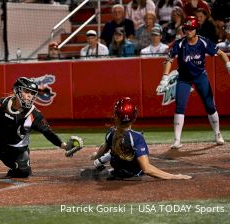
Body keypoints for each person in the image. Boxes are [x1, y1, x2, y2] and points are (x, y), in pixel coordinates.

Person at [160, 16, 230, 149]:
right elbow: (169, 59)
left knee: (210, 105)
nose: (188, 31)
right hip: (184, 78)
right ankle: (177, 139)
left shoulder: (203, 42)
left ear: (196, 29)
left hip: (200, 76)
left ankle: (217, 133)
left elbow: (221, 53)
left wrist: (228, 65)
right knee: (180, 106)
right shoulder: (180, 44)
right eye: (186, 29)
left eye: (191, 29)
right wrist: (164, 77)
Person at [84, 97, 192, 180]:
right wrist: (173, 176)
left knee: (113, 154)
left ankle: (104, 165)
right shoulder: (137, 138)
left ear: (116, 116)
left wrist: (95, 156)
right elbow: (146, 168)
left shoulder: (111, 133)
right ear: (134, 116)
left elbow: (103, 148)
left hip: (116, 173)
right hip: (134, 176)